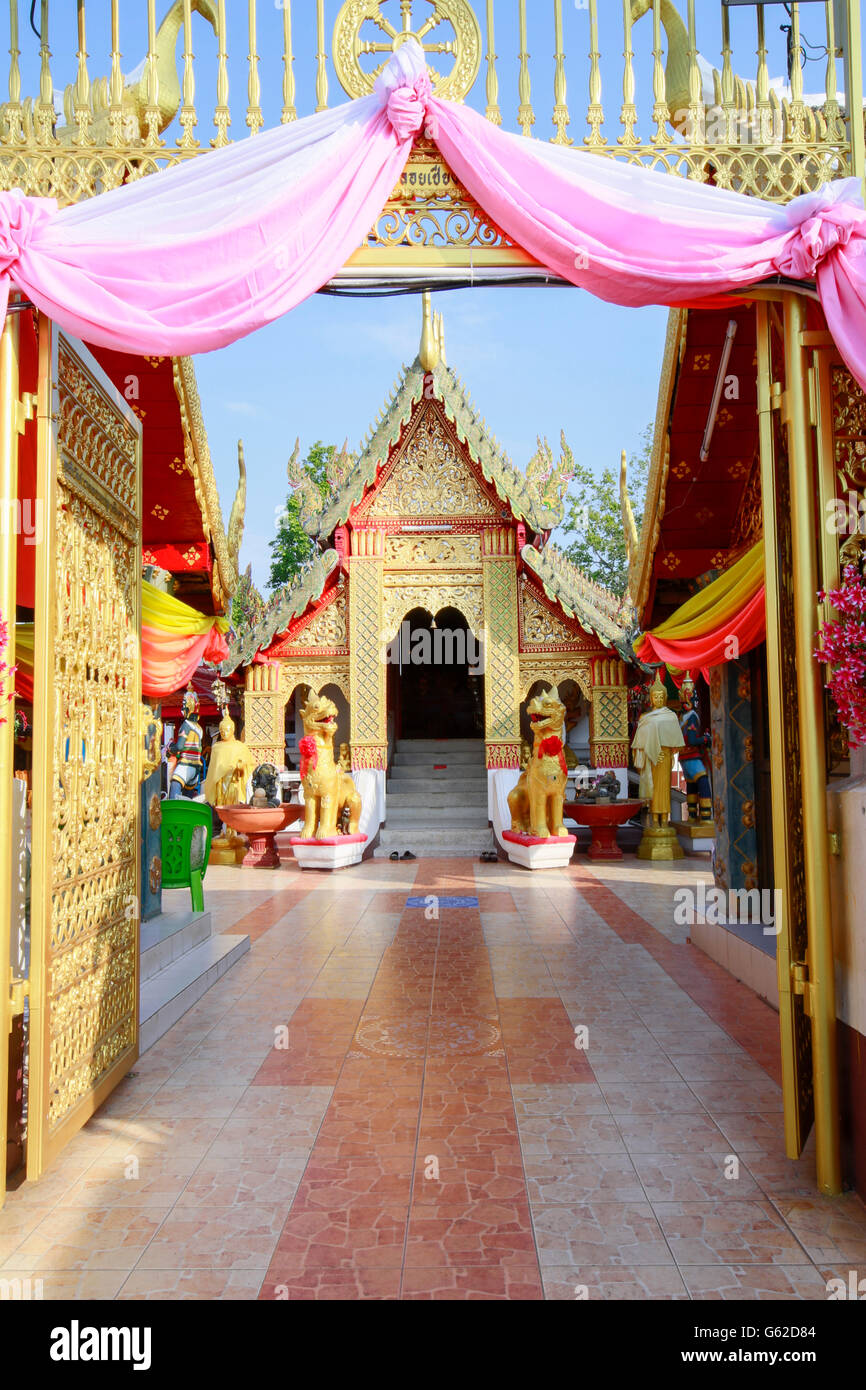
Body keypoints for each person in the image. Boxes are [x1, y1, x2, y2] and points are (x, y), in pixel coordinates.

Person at [631, 672, 685, 827]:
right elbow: (638, 745)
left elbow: (676, 743)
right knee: (652, 790)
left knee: (664, 791)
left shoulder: (671, 716)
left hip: (665, 758)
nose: (659, 699)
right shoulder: (645, 718)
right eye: (656, 697)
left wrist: (668, 752)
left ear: (665, 697)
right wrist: (648, 753)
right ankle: (654, 819)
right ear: (651, 698)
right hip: (650, 759)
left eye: (662, 697)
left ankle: (664, 819)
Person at [167, 686, 204, 799]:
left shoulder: (186, 725)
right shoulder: (199, 728)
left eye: (184, 706)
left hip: (185, 764)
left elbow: (179, 746)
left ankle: (173, 812)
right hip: (196, 767)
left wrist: (169, 748)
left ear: (188, 708)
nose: (182, 710)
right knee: (188, 798)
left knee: (174, 785)